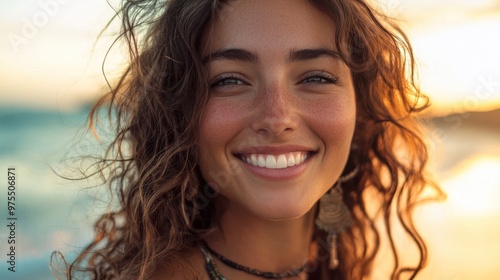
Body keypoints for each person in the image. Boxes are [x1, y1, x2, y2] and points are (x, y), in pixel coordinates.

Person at [55, 0, 443, 279]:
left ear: (361, 110)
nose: (277, 119)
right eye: (229, 80)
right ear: (179, 115)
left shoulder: (334, 263)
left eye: (316, 77)